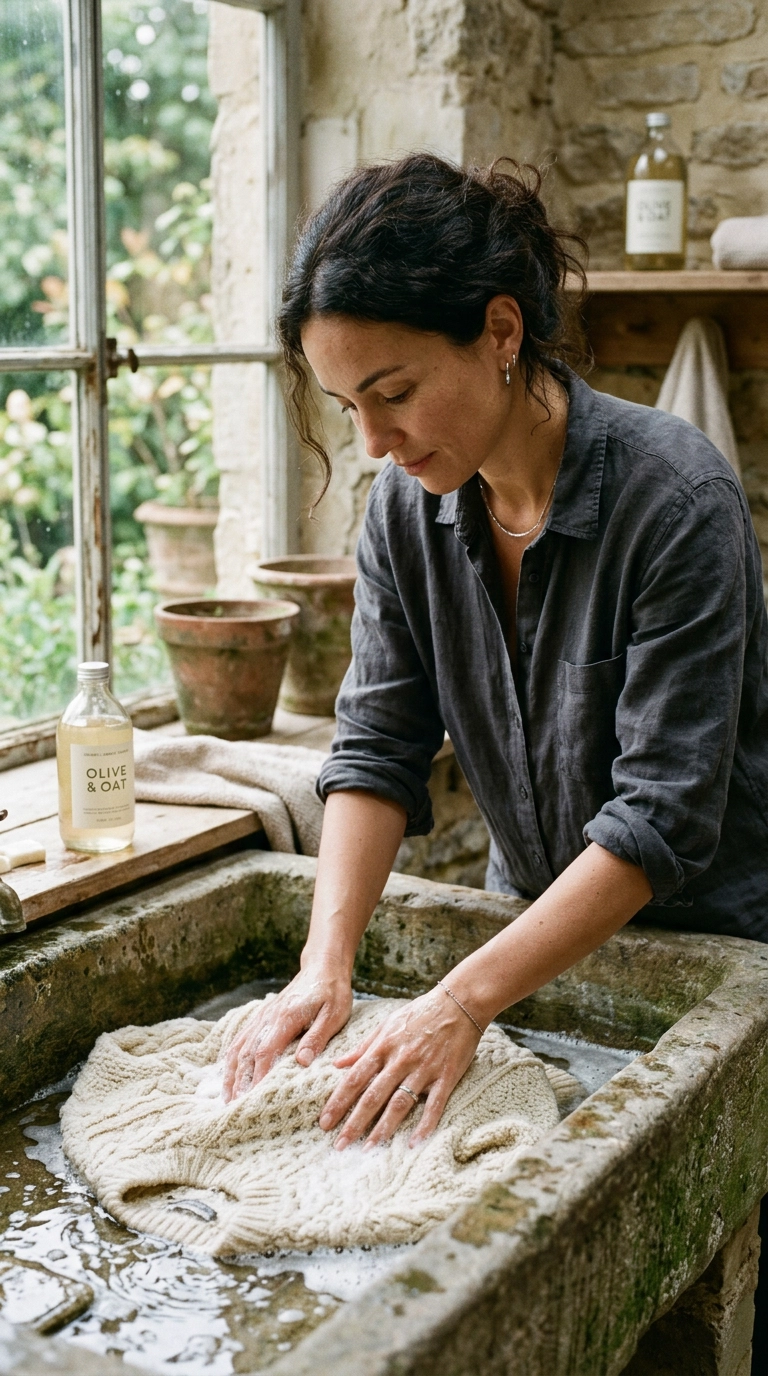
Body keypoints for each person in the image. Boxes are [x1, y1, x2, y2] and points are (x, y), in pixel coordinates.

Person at [222, 154, 768, 1359]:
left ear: (502, 332)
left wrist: (457, 998)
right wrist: (328, 963)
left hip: (725, 954)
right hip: (540, 939)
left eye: (396, 391)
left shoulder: (676, 501)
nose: (372, 440)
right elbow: (374, 748)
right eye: (345, 406)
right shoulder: (407, 517)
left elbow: (660, 819)